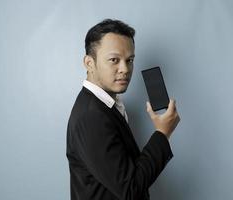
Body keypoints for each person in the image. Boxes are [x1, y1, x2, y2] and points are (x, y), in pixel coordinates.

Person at [66, 19, 180, 200]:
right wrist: (162, 134)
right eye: (114, 60)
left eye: (130, 60)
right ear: (89, 63)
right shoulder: (91, 117)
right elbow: (131, 189)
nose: (125, 69)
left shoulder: (106, 105)